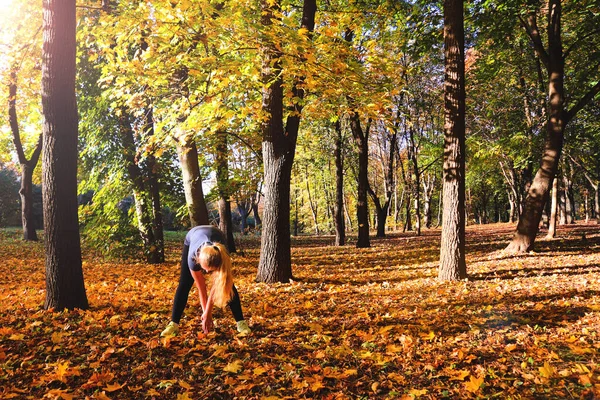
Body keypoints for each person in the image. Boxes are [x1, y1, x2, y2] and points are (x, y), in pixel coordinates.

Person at [161, 225, 251, 337]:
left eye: (210, 270)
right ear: (198, 261)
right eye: (205, 269)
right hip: (193, 235)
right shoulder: (193, 258)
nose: (207, 272)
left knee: (227, 284)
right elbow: (202, 289)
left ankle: (241, 322)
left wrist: (208, 312)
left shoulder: (221, 255)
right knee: (185, 283)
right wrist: (206, 314)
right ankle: (173, 324)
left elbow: (216, 285)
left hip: (216, 235)